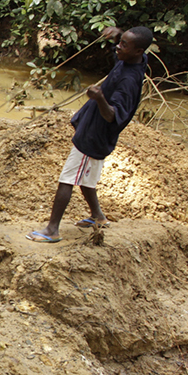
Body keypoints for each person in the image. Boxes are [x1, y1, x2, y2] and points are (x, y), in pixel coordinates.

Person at [26, 25, 153, 243]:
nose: (118, 48)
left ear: (137, 51)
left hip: (95, 136)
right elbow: (127, 50)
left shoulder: (129, 81)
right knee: (87, 176)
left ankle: (52, 230)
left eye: (124, 45)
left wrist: (99, 97)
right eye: (120, 42)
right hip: (93, 130)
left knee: (67, 178)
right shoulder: (133, 60)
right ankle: (98, 217)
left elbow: (113, 115)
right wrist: (117, 35)